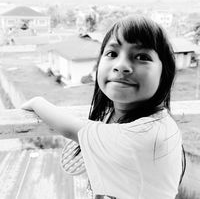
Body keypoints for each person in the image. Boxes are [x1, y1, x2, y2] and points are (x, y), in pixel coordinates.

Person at [22, 16, 185, 199]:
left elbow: (71, 129)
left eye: (142, 57)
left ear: (164, 74)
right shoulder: (116, 115)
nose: (121, 65)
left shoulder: (149, 134)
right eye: (112, 54)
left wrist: (37, 102)